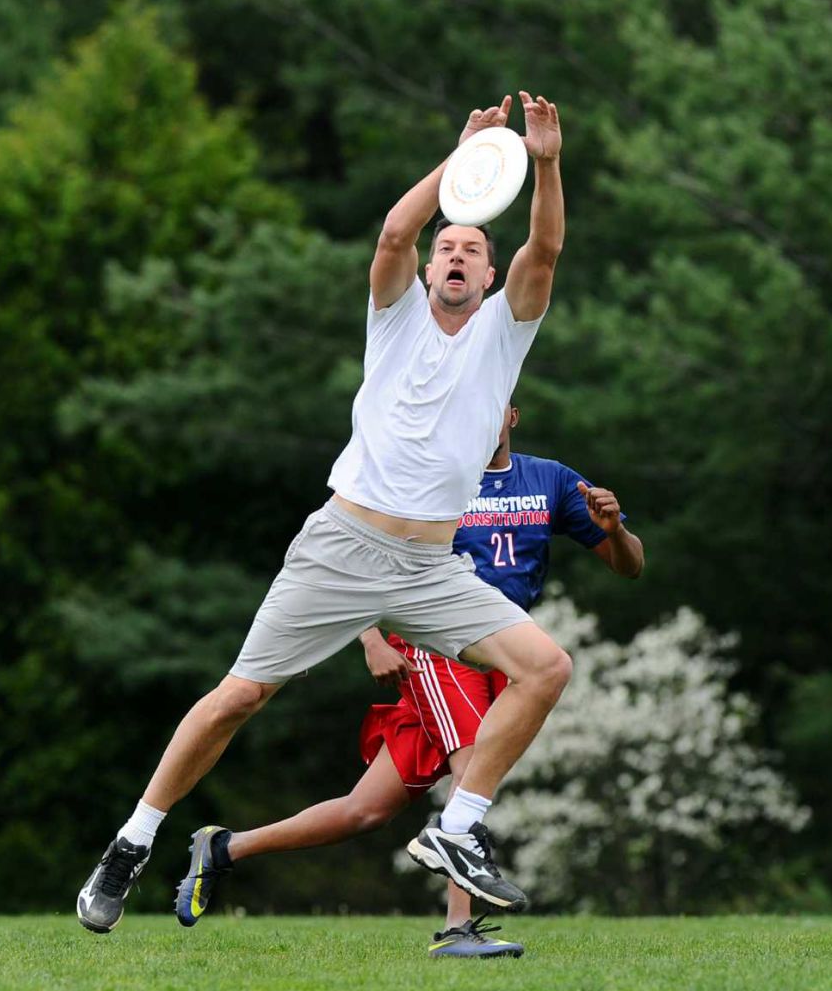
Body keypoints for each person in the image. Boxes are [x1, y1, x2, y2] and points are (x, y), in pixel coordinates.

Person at [77, 92, 573, 933]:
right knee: (238, 698)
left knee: (546, 668)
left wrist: (544, 162)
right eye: (445, 247)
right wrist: (460, 161)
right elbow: (389, 233)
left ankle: (457, 831)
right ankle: (132, 840)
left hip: (428, 567)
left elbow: (548, 245)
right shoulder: (394, 314)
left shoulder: (504, 330)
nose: (455, 256)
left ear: (489, 277)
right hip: (342, 545)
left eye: (471, 251)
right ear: (427, 271)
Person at [170, 403, 645, 957]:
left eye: (491, 404)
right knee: (470, 762)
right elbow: (356, 555)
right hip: (434, 645)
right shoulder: (429, 477)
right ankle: (457, 931)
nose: (480, 415)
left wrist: (613, 532)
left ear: (511, 415)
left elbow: (631, 566)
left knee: (365, 810)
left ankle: (224, 849)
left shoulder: (552, 479)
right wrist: (371, 636)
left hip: (505, 652)